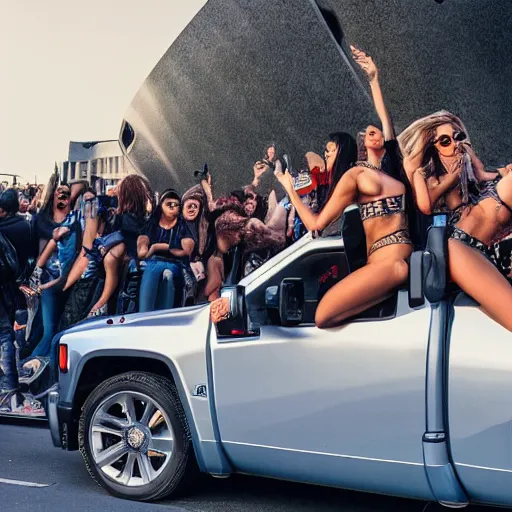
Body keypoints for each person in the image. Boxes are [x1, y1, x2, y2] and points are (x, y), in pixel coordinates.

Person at [274, 152, 413, 328]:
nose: (325, 158)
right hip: (399, 263)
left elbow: (315, 225)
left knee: (322, 314)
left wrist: (290, 190)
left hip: (391, 265)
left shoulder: (356, 176)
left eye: (330, 151)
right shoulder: (398, 180)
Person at [397, 110, 498, 226]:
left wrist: (503, 175)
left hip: (477, 211)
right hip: (450, 225)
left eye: (457, 137)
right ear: (432, 145)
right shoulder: (423, 172)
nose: (455, 143)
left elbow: (481, 174)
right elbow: (426, 208)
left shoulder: (464, 153)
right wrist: (450, 180)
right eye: (445, 141)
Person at [0, 189, 43, 415]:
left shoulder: (4, 228)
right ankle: (8, 389)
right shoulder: (24, 225)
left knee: (7, 333)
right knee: (9, 333)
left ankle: (8, 387)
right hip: (14, 285)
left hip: (9, 286)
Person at [137, 189, 195, 312]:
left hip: (174, 263)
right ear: (161, 206)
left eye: (176, 205)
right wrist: (148, 247)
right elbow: (142, 250)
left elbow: (186, 250)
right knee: (157, 270)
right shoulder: (152, 225)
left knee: (163, 270)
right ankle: (146, 313)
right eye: (169, 204)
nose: (173, 208)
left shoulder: (182, 226)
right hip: (154, 263)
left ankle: (148, 313)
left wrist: (156, 247)